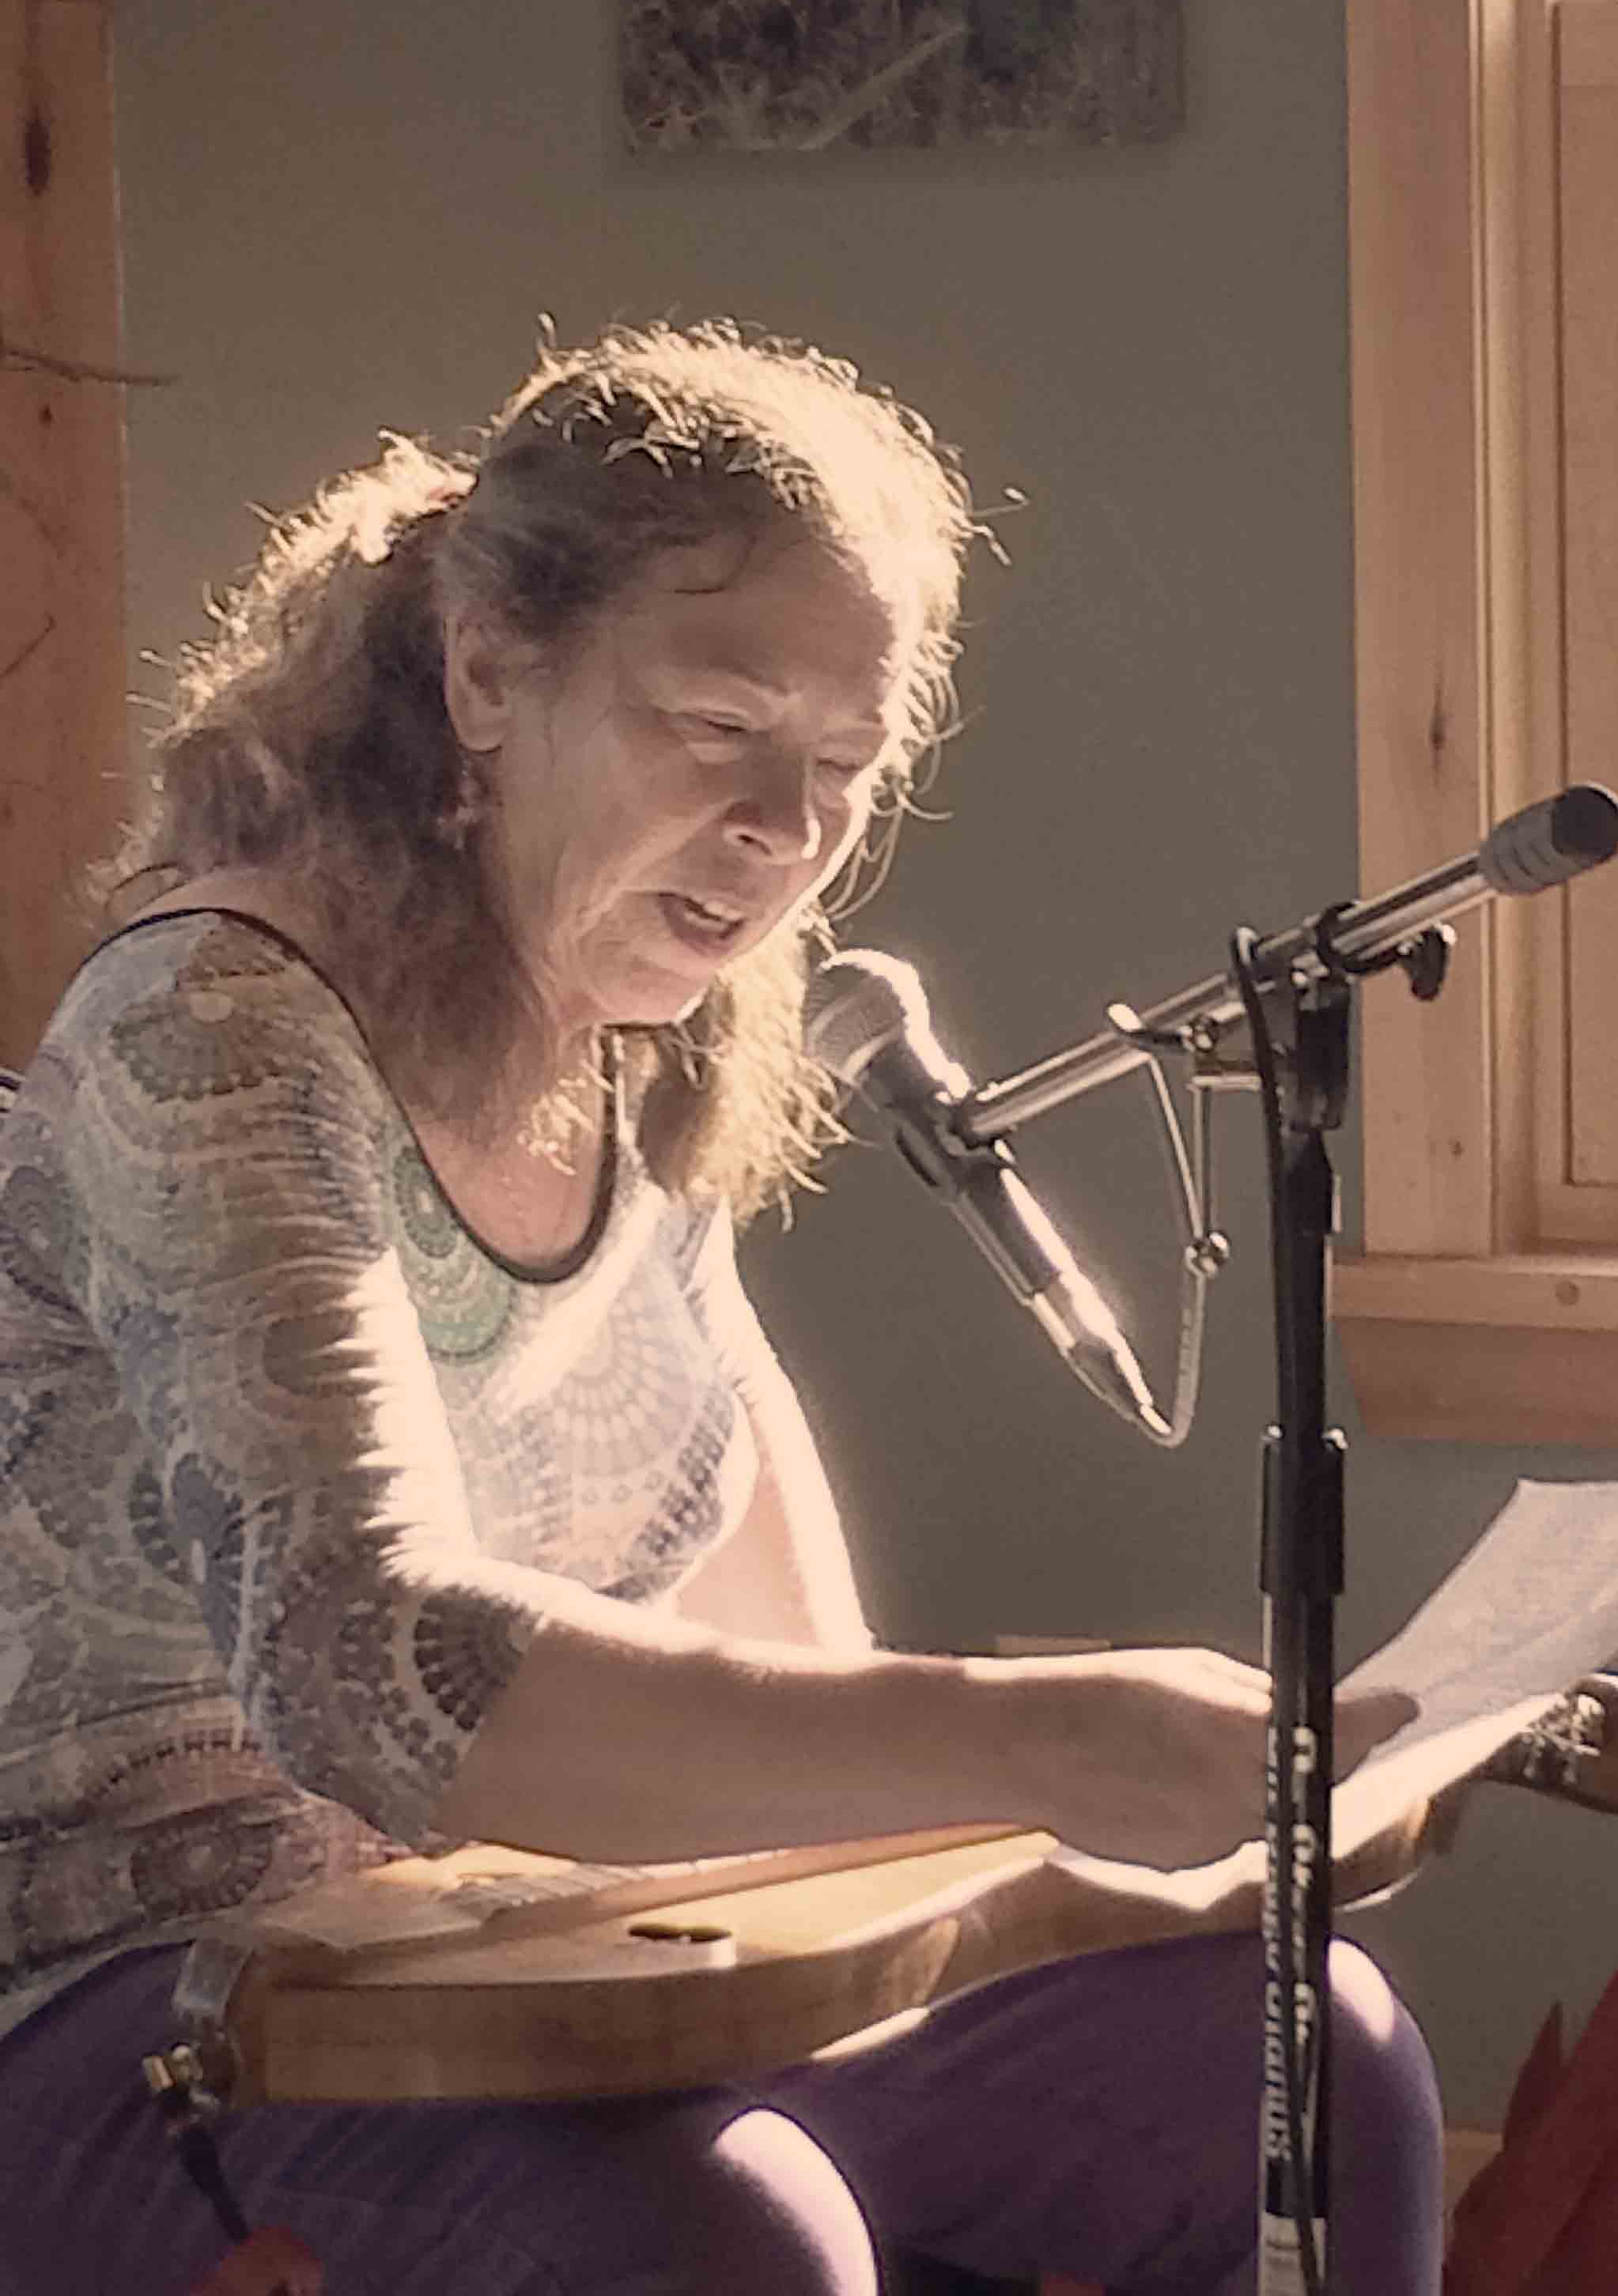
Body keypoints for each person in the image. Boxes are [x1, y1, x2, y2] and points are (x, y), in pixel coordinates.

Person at [0, 323, 1441, 2295]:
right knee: (714, 2238)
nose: (785, 827)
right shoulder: (211, 1030)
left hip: (544, 1971)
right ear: (485, 673)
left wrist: (1096, 1839)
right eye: (714, 724)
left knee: (1294, 2059)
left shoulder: (636, 1027)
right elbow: (373, 1665)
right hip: (143, 2010)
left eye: (843, 766)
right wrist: (1053, 1739)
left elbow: (792, 1676)